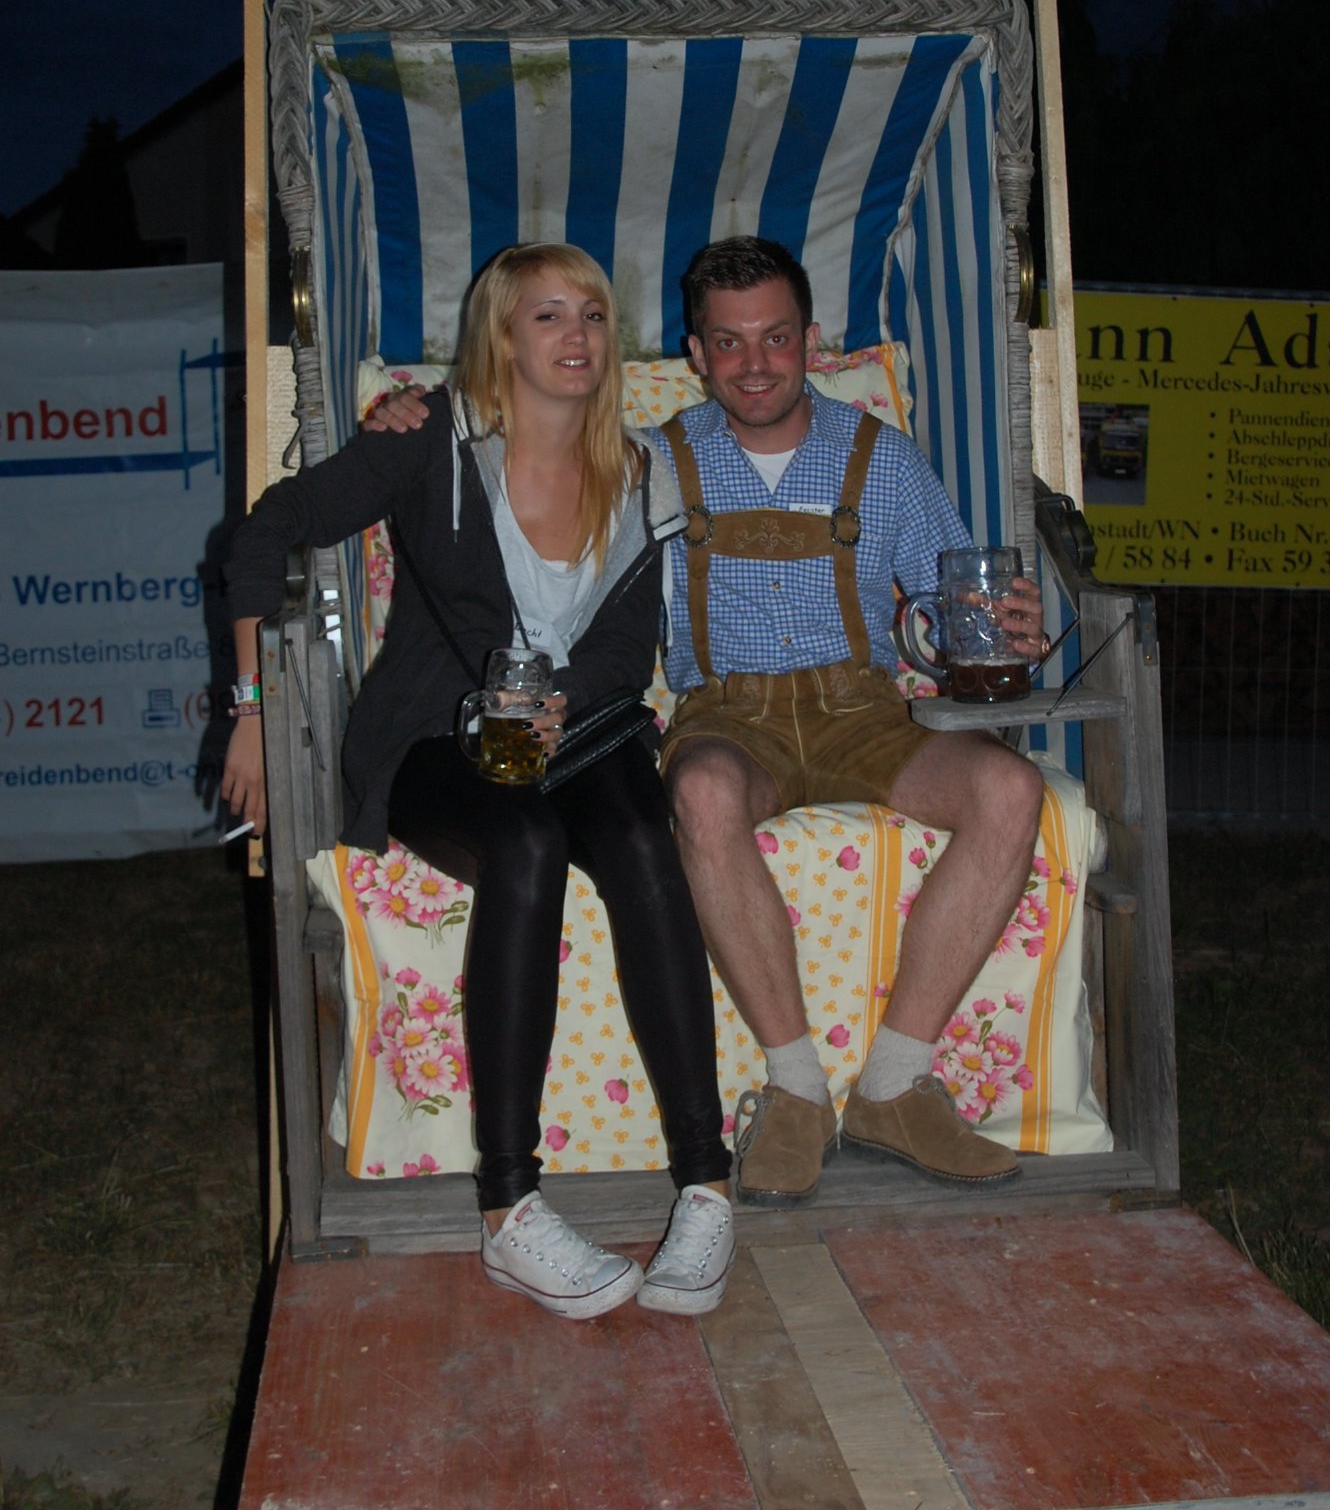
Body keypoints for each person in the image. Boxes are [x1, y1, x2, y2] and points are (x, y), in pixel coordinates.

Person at [369, 235, 1049, 1210]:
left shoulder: (885, 458)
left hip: (865, 707)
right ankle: (797, 1090)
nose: (755, 362)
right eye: (728, 342)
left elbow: (954, 614)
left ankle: (895, 1085)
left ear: (812, 340)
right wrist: (406, 416)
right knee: (698, 791)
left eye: (776, 337)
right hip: (730, 714)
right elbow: (520, 430)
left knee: (1010, 788)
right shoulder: (649, 459)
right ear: (695, 352)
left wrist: (1007, 631)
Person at [223, 243, 733, 1318]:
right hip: (431, 736)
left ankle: (705, 1183)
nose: (576, 336)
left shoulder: (640, 470)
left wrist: (560, 702)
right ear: (502, 334)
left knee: (642, 836)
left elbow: (624, 643)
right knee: (524, 843)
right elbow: (265, 531)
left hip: (577, 731)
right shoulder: (430, 440)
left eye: (591, 314)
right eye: (548, 315)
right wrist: (254, 710)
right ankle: (509, 1210)